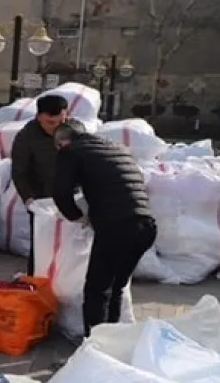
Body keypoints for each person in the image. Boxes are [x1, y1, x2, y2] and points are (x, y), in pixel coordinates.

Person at [52, 119, 157, 336]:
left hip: (116, 227)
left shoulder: (70, 151)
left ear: (63, 141)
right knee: (116, 286)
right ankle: (112, 340)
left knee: (96, 290)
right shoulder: (115, 148)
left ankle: (94, 344)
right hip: (145, 227)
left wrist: (76, 217)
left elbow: (60, 192)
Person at [10, 94, 70, 274]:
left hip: (72, 195)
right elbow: (19, 172)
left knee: (70, 247)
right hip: (42, 198)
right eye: (48, 123)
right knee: (41, 246)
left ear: (66, 115)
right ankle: (36, 283)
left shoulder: (75, 131)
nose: (54, 128)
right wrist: (29, 200)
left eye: (59, 122)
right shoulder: (27, 136)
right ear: (38, 117)